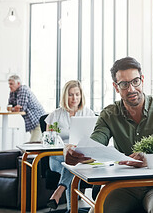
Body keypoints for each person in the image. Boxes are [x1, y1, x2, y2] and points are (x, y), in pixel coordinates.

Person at [65, 57, 153, 213]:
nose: (131, 89)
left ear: (142, 80)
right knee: (97, 211)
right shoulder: (109, 114)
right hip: (124, 185)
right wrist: (76, 153)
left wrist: (150, 158)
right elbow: (94, 146)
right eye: (124, 84)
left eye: (135, 81)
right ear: (116, 87)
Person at [45, 80, 95, 210]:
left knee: (73, 164)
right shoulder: (55, 115)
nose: (74, 98)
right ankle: (71, 210)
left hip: (80, 157)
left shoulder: (88, 113)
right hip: (57, 158)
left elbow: (93, 138)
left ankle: (59, 192)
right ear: (65, 96)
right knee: (71, 166)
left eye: (77, 94)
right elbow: (48, 140)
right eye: (71, 95)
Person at [8, 75, 46, 142]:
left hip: (38, 120)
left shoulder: (23, 89)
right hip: (32, 122)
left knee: (34, 144)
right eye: (9, 84)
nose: (9, 86)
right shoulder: (13, 92)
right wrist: (14, 108)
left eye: (11, 84)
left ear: (18, 83)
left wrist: (14, 108)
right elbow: (9, 107)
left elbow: (21, 108)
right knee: (36, 144)